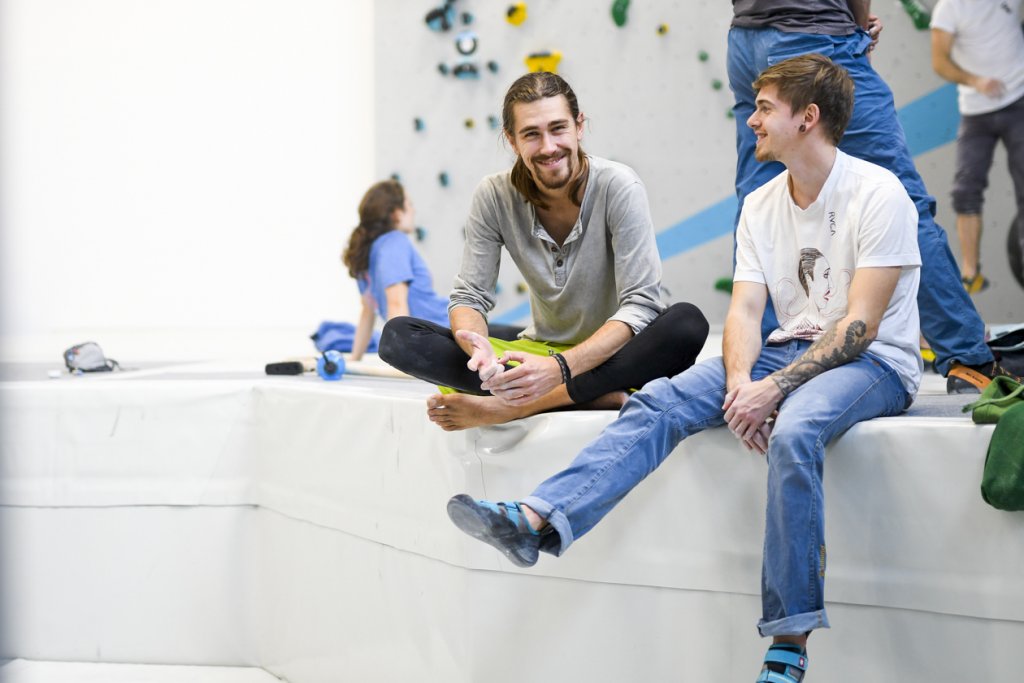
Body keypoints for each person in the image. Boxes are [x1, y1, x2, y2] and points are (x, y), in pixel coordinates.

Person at [447, 54, 921, 683]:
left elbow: (860, 326)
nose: (751, 120)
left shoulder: (878, 193)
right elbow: (745, 313)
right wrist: (739, 385)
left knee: (797, 428)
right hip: (787, 347)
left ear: (807, 118)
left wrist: (773, 391)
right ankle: (536, 520)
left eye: (763, 109)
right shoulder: (761, 203)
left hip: (874, 361)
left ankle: (789, 639)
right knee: (663, 400)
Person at [378, 72, 710, 430]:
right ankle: (587, 396)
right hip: (542, 349)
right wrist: (478, 352)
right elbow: (470, 297)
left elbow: (641, 304)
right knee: (399, 337)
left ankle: (517, 406)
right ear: (511, 140)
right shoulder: (493, 195)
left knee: (686, 324)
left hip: (616, 354)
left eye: (558, 128)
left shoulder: (619, 185)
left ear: (579, 126)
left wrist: (558, 369)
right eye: (531, 134)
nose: (549, 147)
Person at [727, 0, 1022, 394]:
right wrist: (858, 23)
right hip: (815, 34)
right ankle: (966, 358)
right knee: (901, 200)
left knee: (760, 203)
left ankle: (767, 364)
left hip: (745, 39)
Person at [341, 180, 521, 360]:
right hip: (444, 331)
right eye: (409, 204)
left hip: (444, 331)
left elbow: (368, 311)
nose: (414, 210)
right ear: (396, 213)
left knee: (521, 339)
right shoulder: (394, 241)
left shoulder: (365, 256)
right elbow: (395, 303)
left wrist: (354, 358)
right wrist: (404, 359)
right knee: (525, 341)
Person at [930, 0, 1024, 293]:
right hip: (976, 111)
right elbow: (939, 62)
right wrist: (974, 80)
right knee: (965, 190)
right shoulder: (949, 9)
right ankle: (971, 272)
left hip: (1019, 101)